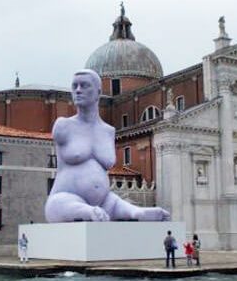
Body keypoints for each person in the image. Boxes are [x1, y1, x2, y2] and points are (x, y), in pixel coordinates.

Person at [44, 70, 170, 223]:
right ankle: (88, 211)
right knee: (58, 205)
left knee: (114, 202)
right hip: (66, 198)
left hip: (105, 201)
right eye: (74, 86)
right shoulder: (63, 125)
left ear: (98, 92)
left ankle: (136, 212)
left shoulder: (109, 131)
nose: (77, 90)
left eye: (84, 85)